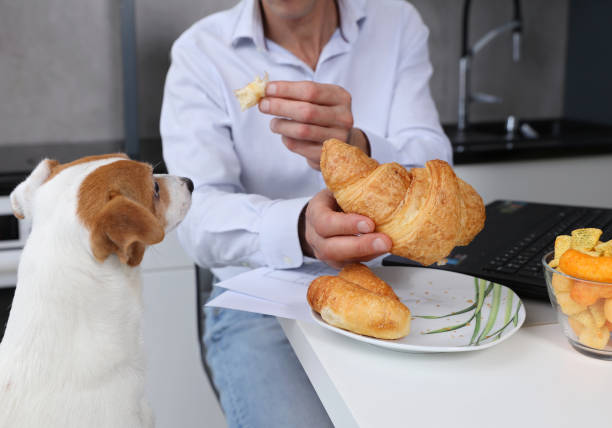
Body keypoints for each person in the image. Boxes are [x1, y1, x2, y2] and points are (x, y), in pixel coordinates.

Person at [161, 0, 452, 426]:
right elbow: (197, 213)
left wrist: (358, 147)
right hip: (261, 307)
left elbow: (434, 171)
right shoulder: (201, 53)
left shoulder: (397, 23)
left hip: (395, 286)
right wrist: (301, 229)